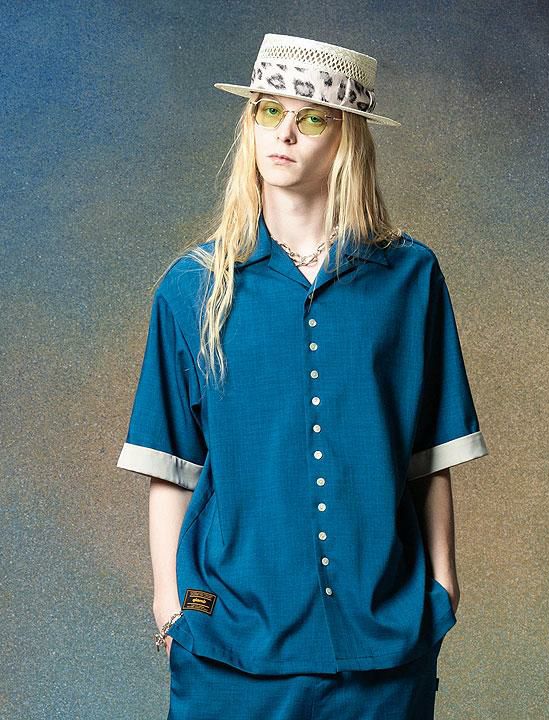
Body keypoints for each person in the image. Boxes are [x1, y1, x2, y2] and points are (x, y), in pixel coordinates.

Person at [116, 33, 489, 720]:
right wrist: (174, 606)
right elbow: (171, 467)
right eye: (268, 111)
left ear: (347, 139)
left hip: (384, 645)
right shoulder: (191, 288)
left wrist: (441, 589)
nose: (283, 134)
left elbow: (428, 456)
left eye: (311, 118)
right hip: (228, 639)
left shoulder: (410, 278)